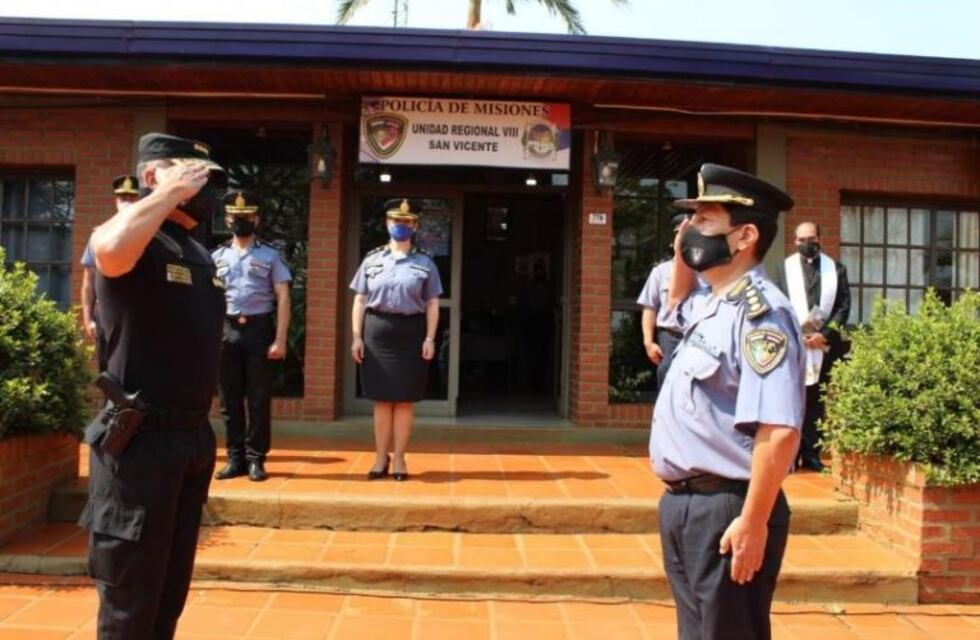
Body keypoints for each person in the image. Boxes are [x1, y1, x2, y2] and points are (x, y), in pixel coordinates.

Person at [78, 133, 226, 639]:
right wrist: (163, 194)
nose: (204, 190)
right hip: (140, 442)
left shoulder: (193, 249)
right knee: (130, 601)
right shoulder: (129, 233)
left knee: (167, 593)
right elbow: (110, 251)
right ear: (152, 174)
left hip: (189, 439)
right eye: (193, 176)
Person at [650, 163, 805, 640]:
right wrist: (684, 253)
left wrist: (754, 521)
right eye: (691, 220)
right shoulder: (713, 300)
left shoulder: (763, 314)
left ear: (745, 237)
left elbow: (778, 430)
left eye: (705, 220)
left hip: (729, 506)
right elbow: (673, 308)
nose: (692, 229)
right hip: (684, 503)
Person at [350, 199, 442, 481]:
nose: (400, 226)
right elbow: (360, 299)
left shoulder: (425, 262)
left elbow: (432, 303)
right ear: (387, 223)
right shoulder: (372, 259)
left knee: (404, 400)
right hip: (377, 331)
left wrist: (429, 338)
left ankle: (400, 458)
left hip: (411, 332)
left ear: (414, 226)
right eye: (395, 221)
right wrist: (356, 336)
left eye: (406, 222)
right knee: (381, 400)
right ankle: (380, 458)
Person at [212, 191, 292, 482]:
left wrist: (280, 339)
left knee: (258, 399)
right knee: (229, 400)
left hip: (259, 330)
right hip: (226, 330)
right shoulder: (216, 256)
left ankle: (256, 458)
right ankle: (235, 458)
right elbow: (208, 299)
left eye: (246, 217)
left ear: (256, 219)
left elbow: (283, 297)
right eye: (235, 217)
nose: (240, 221)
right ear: (227, 219)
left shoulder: (270, 255)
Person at [777, 222, 851, 471]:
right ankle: (790, 455)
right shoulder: (782, 269)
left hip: (824, 346)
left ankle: (811, 454)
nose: (806, 243)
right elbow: (776, 306)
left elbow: (843, 307)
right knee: (791, 400)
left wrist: (824, 334)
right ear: (795, 242)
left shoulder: (836, 270)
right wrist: (796, 335)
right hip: (793, 345)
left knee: (816, 402)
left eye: (811, 238)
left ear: (819, 238)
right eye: (801, 239)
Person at [79, 175, 140, 372]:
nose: (127, 203)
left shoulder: (151, 236)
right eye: (123, 198)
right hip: (105, 314)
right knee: (107, 371)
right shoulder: (100, 235)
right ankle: (109, 404)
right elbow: (88, 282)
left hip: (137, 313)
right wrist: (88, 319)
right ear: (116, 201)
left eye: (132, 198)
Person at [637, 212, 689, 390]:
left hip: (698, 336)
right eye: (680, 233)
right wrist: (648, 342)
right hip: (670, 336)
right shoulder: (661, 271)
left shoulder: (707, 272)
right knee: (666, 372)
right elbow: (649, 307)